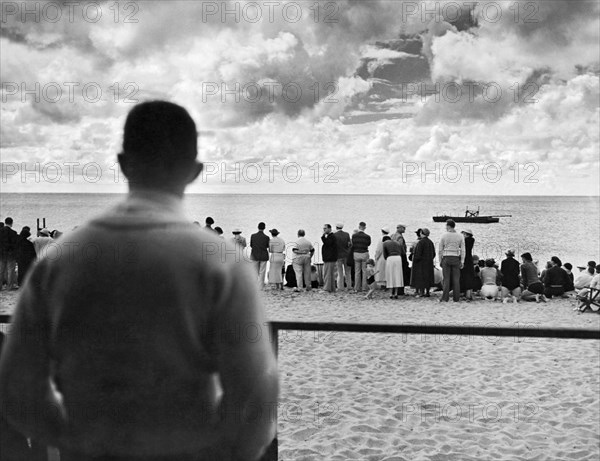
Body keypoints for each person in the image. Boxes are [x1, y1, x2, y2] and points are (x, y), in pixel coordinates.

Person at [0, 101, 278, 461]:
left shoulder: (60, 260)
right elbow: (256, 391)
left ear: (122, 164)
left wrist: (68, 437)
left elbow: (17, 387)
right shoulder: (221, 261)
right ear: (194, 171)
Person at [438, 219, 465, 302]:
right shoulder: (460, 236)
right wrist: (462, 261)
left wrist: (440, 260)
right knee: (456, 279)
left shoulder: (444, 235)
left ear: (448, 226)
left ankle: (445, 298)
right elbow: (463, 250)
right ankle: (456, 298)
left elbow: (440, 249)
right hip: (456, 257)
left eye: (446, 225)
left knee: (446, 279)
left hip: (446, 257)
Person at [410, 228, 436, 297]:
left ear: (422, 233)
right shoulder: (430, 242)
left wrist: (415, 260)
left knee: (421, 277)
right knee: (428, 277)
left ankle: (421, 292)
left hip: (421, 263)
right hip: (429, 262)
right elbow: (434, 253)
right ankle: (427, 292)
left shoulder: (421, 242)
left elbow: (417, 254)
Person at [352, 222, 371, 292]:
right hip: (364, 253)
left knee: (357, 271)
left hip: (356, 253)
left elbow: (353, 243)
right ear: (365, 227)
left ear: (359, 227)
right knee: (364, 271)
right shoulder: (367, 236)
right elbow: (368, 244)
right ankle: (364, 287)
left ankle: (356, 287)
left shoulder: (354, 236)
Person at [250, 222, 270, 289]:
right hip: (263, 255)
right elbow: (267, 246)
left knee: (255, 271)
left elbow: (251, 245)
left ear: (258, 227)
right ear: (264, 228)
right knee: (262, 272)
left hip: (255, 255)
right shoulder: (266, 237)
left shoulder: (253, 236)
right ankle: (260, 286)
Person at [0, 217, 18, 290]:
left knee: (1, 270)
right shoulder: (14, 233)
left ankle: (0, 286)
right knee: (10, 270)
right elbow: (15, 244)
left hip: (1, 253)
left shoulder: (0, 231)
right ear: (11, 223)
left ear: (5, 222)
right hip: (11, 254)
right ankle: (9, 286)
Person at [334, 223, 351, 291]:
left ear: (336, 227)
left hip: (338, 255)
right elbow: (349, 244)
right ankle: (349, 286)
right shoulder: (347, 234)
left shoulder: (334, 235)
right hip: (346, 254)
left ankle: (340, 287)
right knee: (347, 272)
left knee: (340, 272)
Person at [391, 224, 410, 288]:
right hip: (401, 256)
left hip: (393, 255)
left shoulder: (392, 235)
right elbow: (401, 246)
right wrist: (404, 254)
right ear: (399, 228)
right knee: (402, 272)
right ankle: (401, 288)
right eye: (403, 228)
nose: (405, 229)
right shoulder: (400, 237)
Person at [459, 229, 476, 300]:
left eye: (464, 234)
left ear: (466, 234)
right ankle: (468, 294)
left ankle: (466, 294)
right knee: (469, 276)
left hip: (465, 259)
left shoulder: (465, 241)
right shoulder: (471, 240)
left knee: (465, 276)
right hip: (469, 259)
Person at [321, 224, 338, 292]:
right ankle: (332, 287)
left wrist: (323, 236)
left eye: (325, 228)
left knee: (327, 273)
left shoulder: (331, 236)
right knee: (330, 273)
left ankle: (327, 288)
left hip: (329, 258)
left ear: (329, 229)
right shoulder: (331, 236)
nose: (324, 230)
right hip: (331, 258)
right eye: (323, 228)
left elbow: (327, 243)